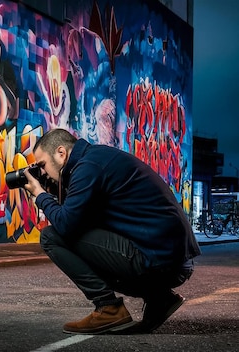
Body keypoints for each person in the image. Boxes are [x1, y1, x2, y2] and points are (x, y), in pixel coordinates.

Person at [23, 128, 201, 335]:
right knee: (77, 233)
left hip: (157, 260)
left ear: (61, 153)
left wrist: (40, 194)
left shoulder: (88, 167)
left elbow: (65, 225)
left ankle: (109, 308)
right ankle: (159, 299)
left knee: (51, 237)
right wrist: (55, 190)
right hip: (171, 260)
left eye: (42, 165)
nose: (42, 173)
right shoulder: (96, 159)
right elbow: (83, 219)